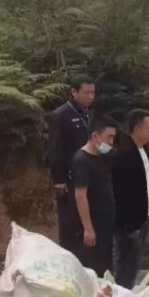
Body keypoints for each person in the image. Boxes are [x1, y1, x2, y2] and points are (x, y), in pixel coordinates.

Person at [112, 109, 149, 289]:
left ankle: (127, 295)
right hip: (130, 222)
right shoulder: (124, 153)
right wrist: (130, 224)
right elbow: (123, 192)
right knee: (126, 264)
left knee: (135, 264)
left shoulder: (145, 152)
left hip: (144, 217)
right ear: (138, 129)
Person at [48, 76, 96, 249]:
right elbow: (55, 148)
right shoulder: (61, 115)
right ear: (74, 92)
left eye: (93, 93)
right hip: (69, 177)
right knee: (70, 221)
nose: (90, 96)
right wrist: (59, 180)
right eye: (86, 92)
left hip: (89, 174)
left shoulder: (90, 114)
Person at [71, 117, 118, 276]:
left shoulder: (103, 158)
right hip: (92, 225)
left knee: (106, 270)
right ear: (95, 136)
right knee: (92, 270)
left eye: (113, 137)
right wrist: (88, 228)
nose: (111, 142)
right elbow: (80, 195)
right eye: (109, 137)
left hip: (106, 225)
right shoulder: (81, 160)